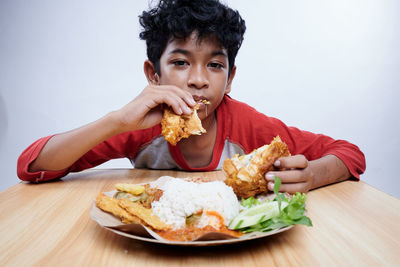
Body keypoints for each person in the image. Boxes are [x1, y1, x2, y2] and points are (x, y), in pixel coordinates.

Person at [17, 0, 365, 193]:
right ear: (154, 75)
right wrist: (115, 121)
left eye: (214, 65)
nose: (198, 80)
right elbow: (32, 166)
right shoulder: (136, 128)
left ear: (229, 80)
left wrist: (313, 175)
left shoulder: (248, 126)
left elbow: (349, 153)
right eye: (181, 62)